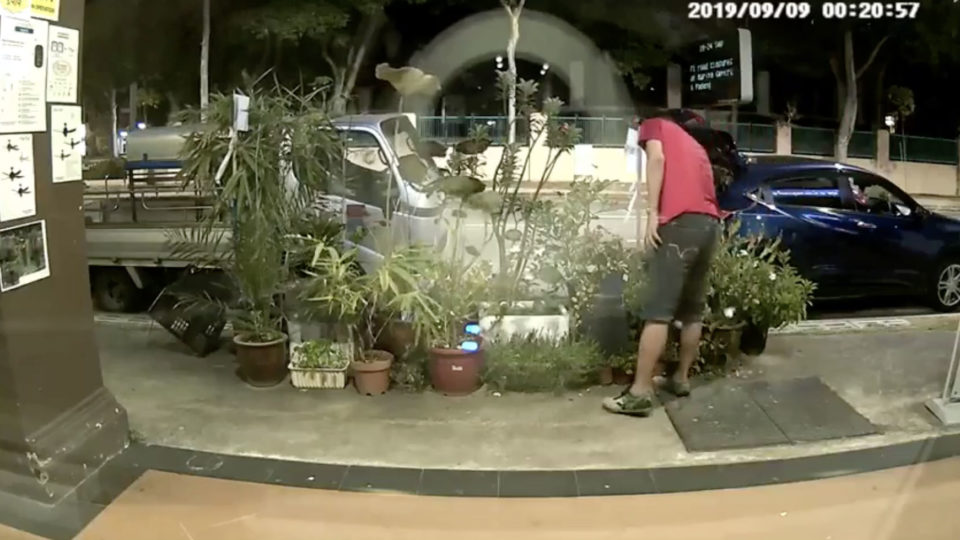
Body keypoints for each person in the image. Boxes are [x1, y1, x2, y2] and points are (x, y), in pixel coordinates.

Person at [603, 110, 722, 417]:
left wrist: (653, 213)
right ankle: (681, 379)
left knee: (658, 310)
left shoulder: (653, 125)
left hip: (679, 223)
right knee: (692, 309)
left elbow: (656, 160)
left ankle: (640, 393)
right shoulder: (692, 142)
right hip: (709, 223)